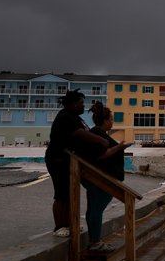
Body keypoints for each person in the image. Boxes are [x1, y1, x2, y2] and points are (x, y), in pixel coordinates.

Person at [45, 90, 109, 237]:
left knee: (69, 193)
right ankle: (60, 226)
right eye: (81, 103)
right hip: (58, 160)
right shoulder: (65, 117)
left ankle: (70, 223)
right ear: (73, 104)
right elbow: (80, 133)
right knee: (61, 194)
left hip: (70, 161)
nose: (83, 106)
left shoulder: (75, 117)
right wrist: (101, 140)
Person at [82, 102, 132, 252]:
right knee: (96, 209)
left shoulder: (97, 133)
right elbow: (100, 155)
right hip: (100, 179)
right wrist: (119, 147)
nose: (112, 121)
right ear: (104, 121)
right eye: (111, 118)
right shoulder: (97, 135)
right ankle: (96, 242)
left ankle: (94, 241)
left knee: (93, 209)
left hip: (97, 177)